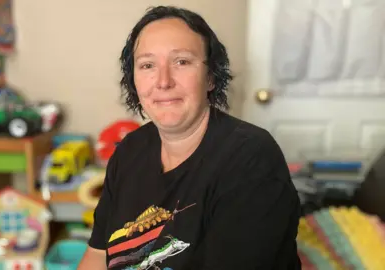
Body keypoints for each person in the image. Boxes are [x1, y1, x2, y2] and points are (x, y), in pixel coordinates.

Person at [78, 5, 301, 270]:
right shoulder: (129, 151)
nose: (163, 81)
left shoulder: (251, 159)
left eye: (181, 62)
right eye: (147, 65)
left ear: (210, 77)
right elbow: (96, 256)